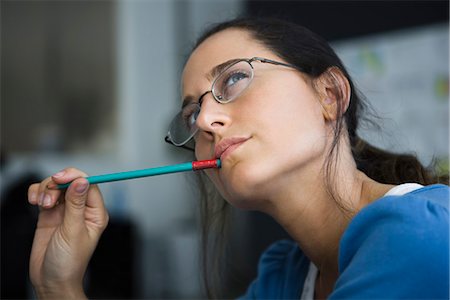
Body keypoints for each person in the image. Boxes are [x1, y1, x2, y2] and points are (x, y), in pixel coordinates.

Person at [28, 17, 449, 299]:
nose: (207, 121)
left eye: (233, 79)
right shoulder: (282, 276)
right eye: (191, 114)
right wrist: (58, 284)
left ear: (330, 95)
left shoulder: (418, 239)